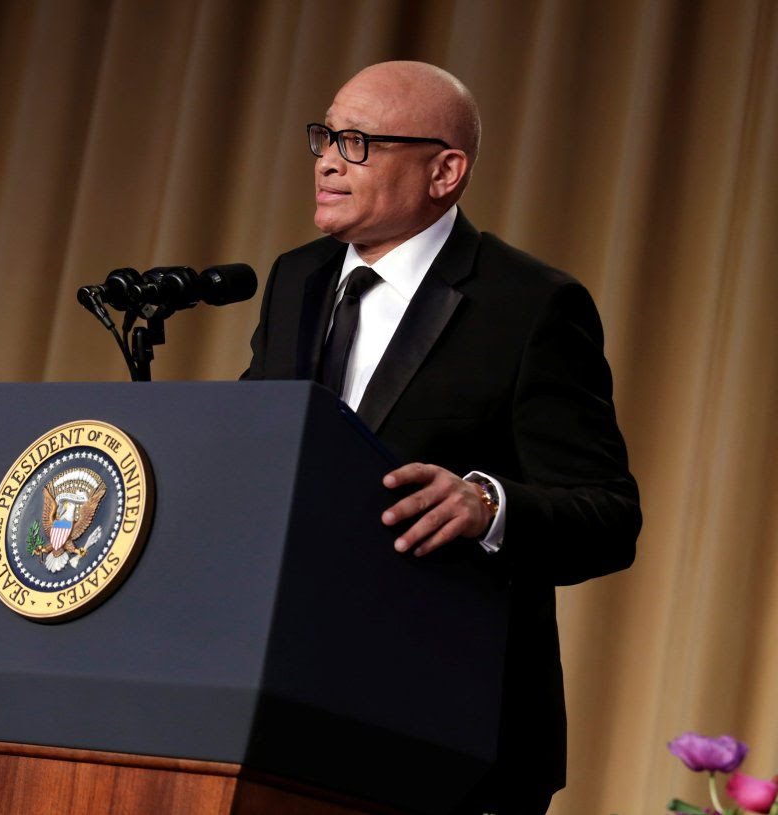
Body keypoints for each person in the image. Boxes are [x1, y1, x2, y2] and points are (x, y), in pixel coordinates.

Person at [243, 61, 641, 813]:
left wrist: (489, 507)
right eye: (325, 135)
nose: (327, 159)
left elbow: (609, 517)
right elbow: (262, 448)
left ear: (445, 170)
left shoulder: (530, 305)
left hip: (448, 732)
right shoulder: (296, 278)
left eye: (358, 141)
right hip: (288, 705)